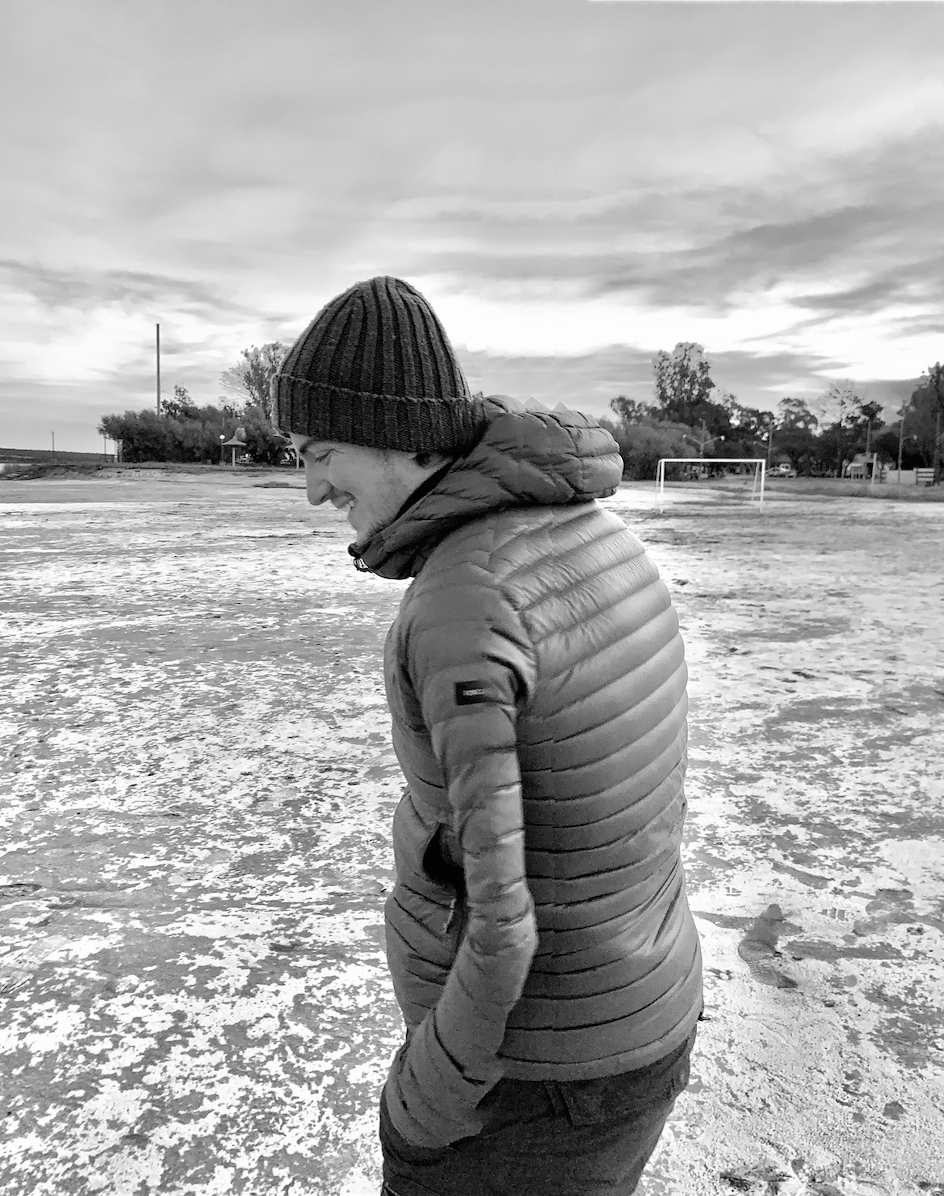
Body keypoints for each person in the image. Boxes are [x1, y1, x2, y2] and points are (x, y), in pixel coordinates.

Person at [271, 276, 703, 1196]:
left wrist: (421, 1107)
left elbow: (504, 927)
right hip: (645, 1016)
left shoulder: (465, 600)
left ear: (393, 434)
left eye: (321, 452)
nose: (311, 490)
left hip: (536, 1083)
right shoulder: (594, 532)